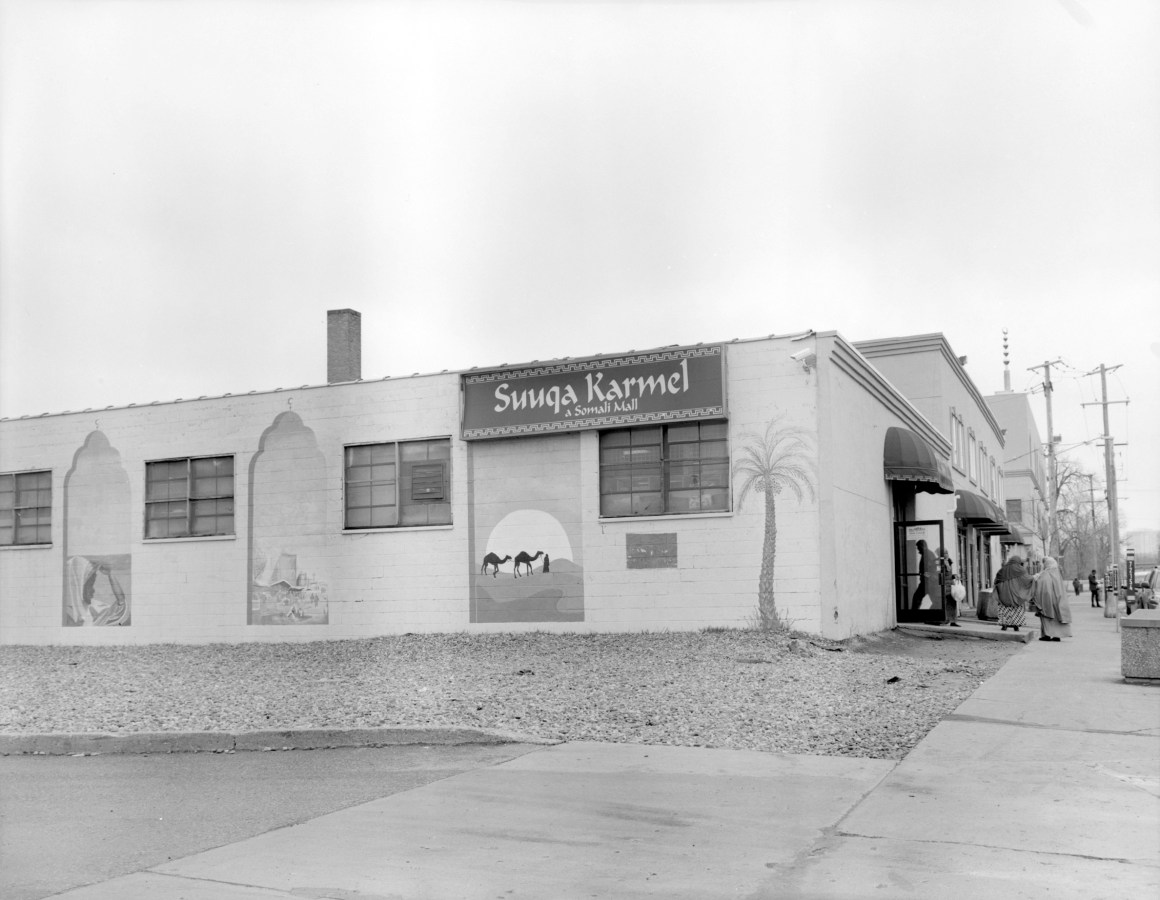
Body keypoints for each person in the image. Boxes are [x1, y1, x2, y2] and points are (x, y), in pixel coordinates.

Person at [1032, 558, 1072, 642]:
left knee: (1047, 618)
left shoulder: (1044, 574)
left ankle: (1046, 635)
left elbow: (1040, 586)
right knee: (1058, 617)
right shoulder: (1057, 574)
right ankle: (1057, 636)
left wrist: (1035, 578)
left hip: (1047, 600)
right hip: (1058, 600)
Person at [993, 555, 1035, 632]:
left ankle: (1004, 625)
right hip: (1016, 595)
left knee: (1004, 609)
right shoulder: (1021, 570)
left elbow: (996, 581)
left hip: (1004, 595)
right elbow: (1027, 579)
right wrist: (1034, 578)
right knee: (1016, 610)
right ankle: (1016, 625)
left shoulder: (1002, 570)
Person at [911, 540, 937, 610]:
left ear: (923, 546)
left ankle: (914, 615)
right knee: (918, 598)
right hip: (927, 581)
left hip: (928, 582)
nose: (917, 549)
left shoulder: (928, 554)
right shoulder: (927, 554)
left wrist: (926, 576)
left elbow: (930, 568)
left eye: (918, 547)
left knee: (917, 598)